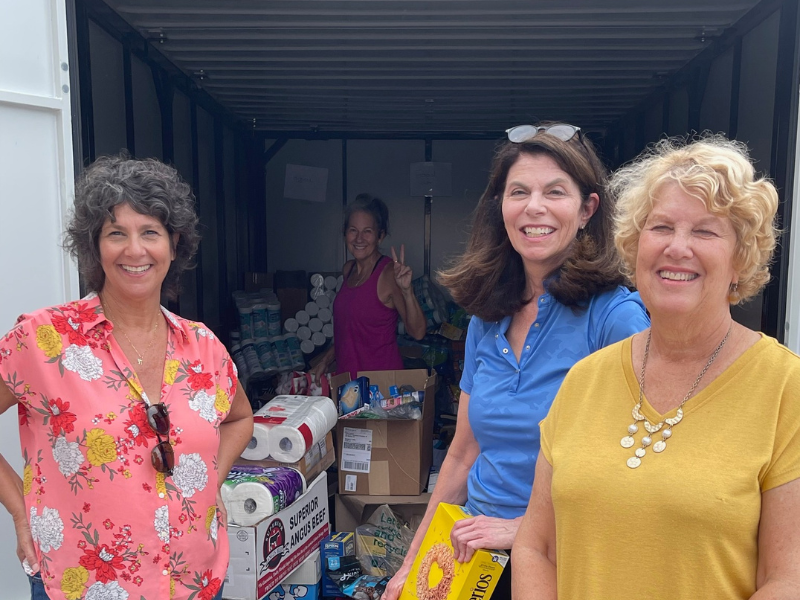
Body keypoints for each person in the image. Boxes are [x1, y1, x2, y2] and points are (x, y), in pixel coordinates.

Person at [514, 135, 800, 599]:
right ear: (635, 243)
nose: (677, 248)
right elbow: (537, 545)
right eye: (661, 227)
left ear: (740, 258)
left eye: (705, 231)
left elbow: (788, 580)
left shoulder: (786, 388)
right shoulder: (584, 380)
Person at [382, 123, 650, 600]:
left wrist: (522, 529)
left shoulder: (615, 318)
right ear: (500, 208)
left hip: (562, 561)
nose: (534, 207)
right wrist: (413, 561)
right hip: (473, 559)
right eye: (519, 191)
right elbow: (463, 454)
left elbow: (637, 470)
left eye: (555, 192)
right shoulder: (489, 314)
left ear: (588, 209)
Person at [0, 155, 254, 600]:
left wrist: (208, 481)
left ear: (174, 246)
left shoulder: (202, 346)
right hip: (84, 584)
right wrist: (21, 512)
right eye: (116, 233)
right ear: (95, 246)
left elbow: (238, 419)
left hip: (191, 580)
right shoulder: (43, 340)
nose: (135, 250)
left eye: (150, 232)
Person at [310, 194, 427, 379]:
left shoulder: (388, 274)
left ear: (380, 237)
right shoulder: (348, 270)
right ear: (345, 233)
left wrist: (407, 291)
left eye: (367, 231)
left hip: (380, 390)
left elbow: (418, 332)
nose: (359, 238)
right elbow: (348, 334)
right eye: (353, 230)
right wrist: (325, 361)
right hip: (349, 387)